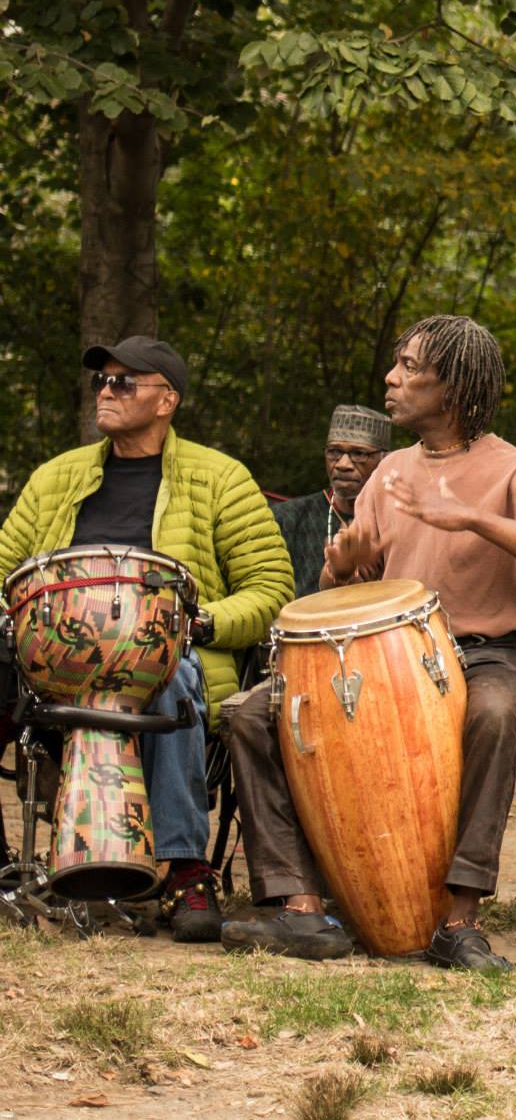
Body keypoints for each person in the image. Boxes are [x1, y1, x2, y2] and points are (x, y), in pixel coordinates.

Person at [221, 315, 516, 968]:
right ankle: (301, 907)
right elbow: (341, 586)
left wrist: (478, 516)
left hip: (481, 652)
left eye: (409, 366)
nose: (391, 378)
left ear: (449, 385)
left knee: (494, 714)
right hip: (385, 658)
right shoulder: (389, 470)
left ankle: (460, 916)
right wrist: (344, 563)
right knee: (253, 711)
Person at [0, 337, 295, 941]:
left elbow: (271, 587)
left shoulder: (219, 478)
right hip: (52, 662)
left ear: (167, 401)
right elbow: (4, 566)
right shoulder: (58, 477)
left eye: (124, 382)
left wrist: (197, 622)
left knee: (169, 676)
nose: (106, 391)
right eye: (101, 382)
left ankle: (187, 869)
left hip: (169, 658)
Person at [271, 405, 392, 598]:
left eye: (359, 454)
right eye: (334, 452)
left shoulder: (398, 518)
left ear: (385, 459)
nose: (343, 465)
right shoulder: (286, 517)